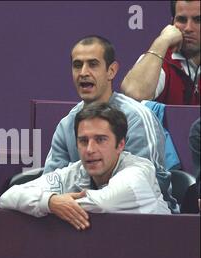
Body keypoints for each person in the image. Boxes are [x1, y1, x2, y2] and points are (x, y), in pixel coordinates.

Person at [43, 35, 178, 213]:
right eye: (77, 65)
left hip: (141, 218)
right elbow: (51, 184)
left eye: (92, 64)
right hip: (79, 217)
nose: (83, 72)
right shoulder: (67, 123)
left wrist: (62, 202)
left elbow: (149, 186)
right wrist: (50, 200)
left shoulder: (137, 118)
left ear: (111, 71)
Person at [0, 103, 171, 230]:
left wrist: (54, 204)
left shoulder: (138, 172)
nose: (90, 150)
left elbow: (102, 203)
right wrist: (50, 201)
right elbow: (7, 197)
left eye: (100, 140)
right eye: (83, 141)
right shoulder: (75, 171)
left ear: (120, 145)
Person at [121, 0, 200, 105]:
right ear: (172, 24)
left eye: (198, 20)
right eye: (182, 20)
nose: (188, 28)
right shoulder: (159, 61)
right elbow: (133, 94)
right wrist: (163, 40)